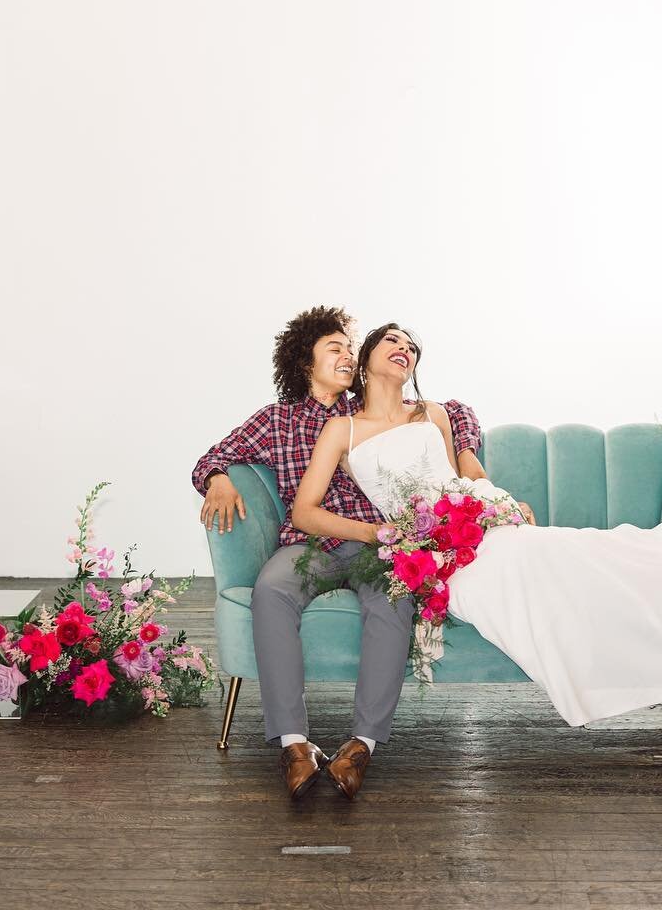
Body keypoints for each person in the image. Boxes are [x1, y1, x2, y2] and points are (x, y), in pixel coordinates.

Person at [292, 323, 662, 730]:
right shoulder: (343, 430)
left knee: (547, 553)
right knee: (516, 571)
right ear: (367, 359)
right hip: (425, 548)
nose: (405, 350)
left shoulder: (433, 413)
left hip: (477, 517)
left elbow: (461, 476)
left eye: (412, 348)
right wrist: (377, 535)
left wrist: (499, 502)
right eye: (393, 341)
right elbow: (304, 512)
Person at [192, 306, 509, 801]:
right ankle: (295, 745)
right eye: (334, 348)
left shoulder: (365, 408)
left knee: (392, 600)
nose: (346, 356)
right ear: (305, 362)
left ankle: (362, 745)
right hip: (310, 545)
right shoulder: (276, 421)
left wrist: (466, 454)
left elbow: (449, 411)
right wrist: (217, 479)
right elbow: (214, 456)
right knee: (271, 591)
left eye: (349, 349)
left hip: (378, 548)